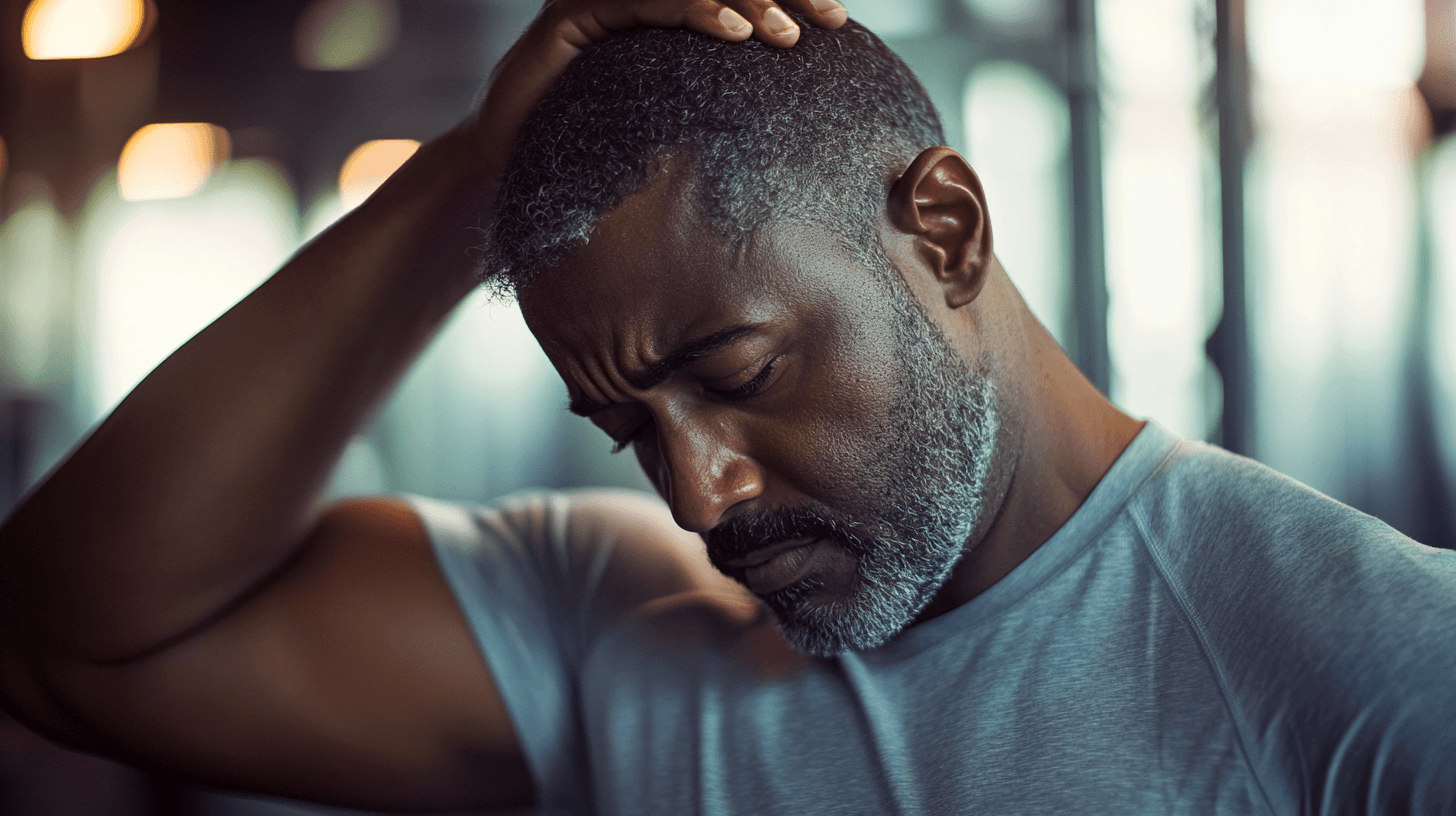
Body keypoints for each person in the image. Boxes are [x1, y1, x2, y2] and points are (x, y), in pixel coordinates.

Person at [1, 1, 1454, 813]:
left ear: (943, 235)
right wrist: (473, 174)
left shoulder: (1371, 670)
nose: (697, 497)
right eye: (628, 427)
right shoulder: (621, 635)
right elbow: (67, 637)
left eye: (740, 373)